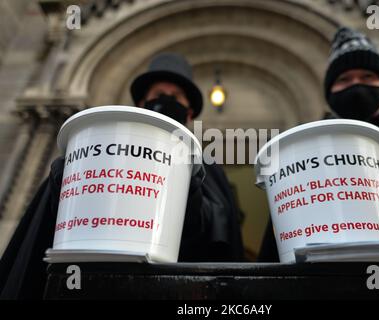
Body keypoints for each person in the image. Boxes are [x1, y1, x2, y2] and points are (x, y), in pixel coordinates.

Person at [0, 53, 244, 299]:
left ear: (189, 114)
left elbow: (214, 231)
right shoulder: (105, 148)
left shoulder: (208, 168)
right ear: (141, 104)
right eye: (158, 96)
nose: (166, 101)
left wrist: (186, 187)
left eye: (175, 98)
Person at [260, 27, 379, 299]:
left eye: (367, 76)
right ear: (330, 89)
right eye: (345, 78)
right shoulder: (309, 144)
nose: (356, 84)